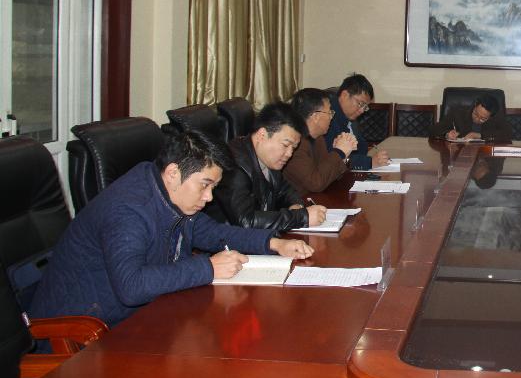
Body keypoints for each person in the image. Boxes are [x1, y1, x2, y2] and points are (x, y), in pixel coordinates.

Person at [29, 131, 314, 327]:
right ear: (174, 173)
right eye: (205, 185)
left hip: (139, 317)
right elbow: (131, 287)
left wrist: (273, 243)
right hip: (83, 334)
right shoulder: (128, 210)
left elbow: (213, 233)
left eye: (214, 187)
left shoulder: (170, 193)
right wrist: (208, 268)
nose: (209, 197)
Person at [207, 102, 327, 230]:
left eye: (293, 148)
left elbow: (285, 190)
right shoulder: (233, 166)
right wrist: (300, 217)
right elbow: (246, 221)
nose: (289, 154)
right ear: (262, 135)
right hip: (227, 240)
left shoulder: (267, 158)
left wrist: (296, 205)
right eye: (286, 145)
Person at [284, 87, 359, 194]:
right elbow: (316, 183)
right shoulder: (295, 143)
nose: (331, 117)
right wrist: (339, 152)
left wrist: (344, 156)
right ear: (315, 116)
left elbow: (327, 176)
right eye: (329, 112)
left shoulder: (318, 138)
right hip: (298, 202)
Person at [325, 73, 389, 169]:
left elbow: (361, 149)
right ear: (345, 95)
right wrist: (369, 162)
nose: (362, 110)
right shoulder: (327, 118)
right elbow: (331, 159)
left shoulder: (350, 118)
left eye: (365, 107)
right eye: (361, 104)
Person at [428, 94, 512, 142]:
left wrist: (480, 135)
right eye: (475, 114)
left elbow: (508, 134)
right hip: (460, 157)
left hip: (486, 157)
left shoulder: (496, 116)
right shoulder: (458, 113)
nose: (477, 119)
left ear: (490, 116)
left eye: (483, 119)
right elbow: (433, 130)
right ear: (475, 105)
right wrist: (447, 134)